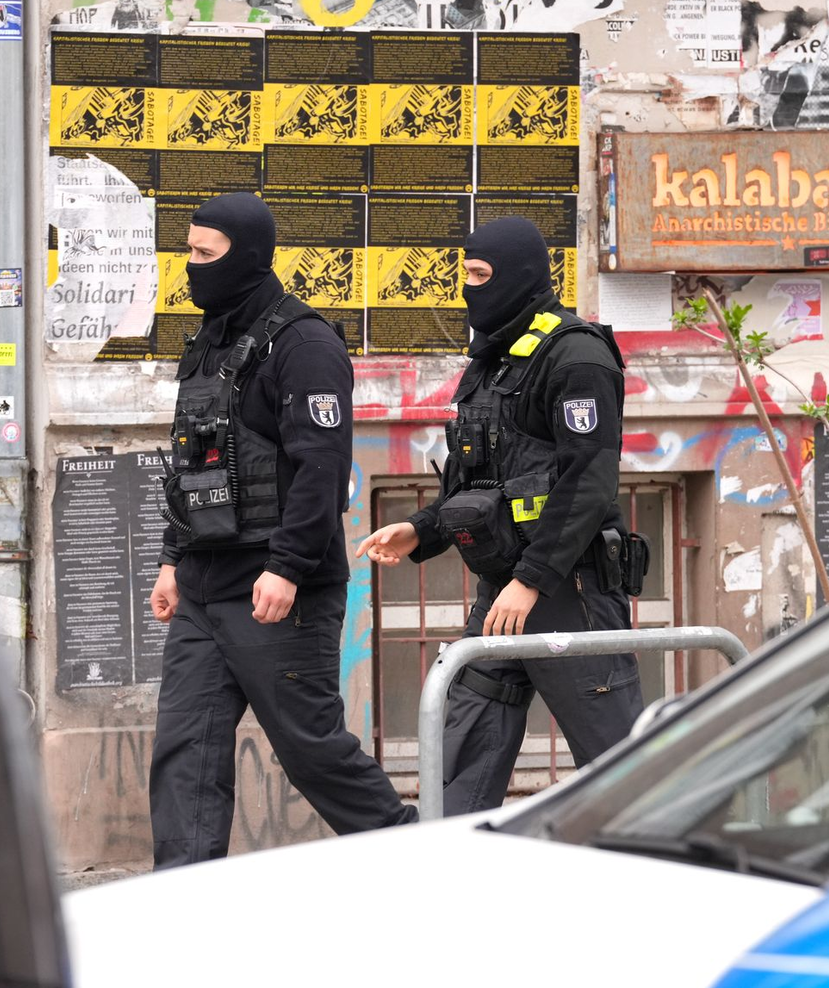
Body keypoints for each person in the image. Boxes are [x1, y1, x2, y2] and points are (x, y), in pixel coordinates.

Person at [148, 192, 415, 869]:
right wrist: (172, 559)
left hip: (277, 591)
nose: (190, 266)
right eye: (188, 251)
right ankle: (178, 897)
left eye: (204, 253)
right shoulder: (208, 342)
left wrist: (288, 567)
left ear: (246, 257)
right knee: (185, 753)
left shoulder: (305, 344)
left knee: (311, 751)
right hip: (203, 589)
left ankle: (416, 860)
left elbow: (322, 467)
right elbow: (191, 462)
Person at [356, 217, 644, 816]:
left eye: (480, 275)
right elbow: (479, 482)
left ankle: (660, 868)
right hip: (504, 591)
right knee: (459, 763)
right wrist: (421, 531)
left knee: (620, 774)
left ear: (517, 275)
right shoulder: (494, 361)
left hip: (570, 591)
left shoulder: (577, 356)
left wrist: (532, 580)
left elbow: (588, 484)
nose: (468, 288)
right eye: (465, 274)